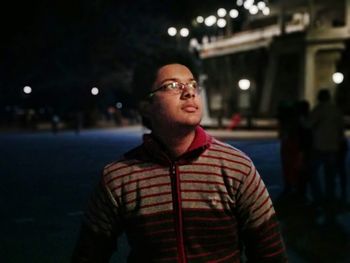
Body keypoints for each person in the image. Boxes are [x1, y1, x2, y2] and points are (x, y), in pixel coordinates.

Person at [71, 50, 287, 262]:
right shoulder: (118, 177)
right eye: (173, 85)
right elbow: (88, 254)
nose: (189, 92)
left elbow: (270, 252)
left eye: (193, 84)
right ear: (146, 107)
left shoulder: (236, 167)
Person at [309, 89, 345, 220]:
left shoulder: (318, 109)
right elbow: (341, 128)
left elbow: (309, 124)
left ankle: (318, 196)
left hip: (319, 145)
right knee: (330, 174)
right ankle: (330, 196)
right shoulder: (335, 110)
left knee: (312, 172)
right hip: (333, 146)